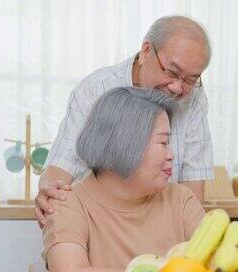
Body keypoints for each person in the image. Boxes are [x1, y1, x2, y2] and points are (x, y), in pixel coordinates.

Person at [36, 15, 214, 227]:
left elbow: (193, 186)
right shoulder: (97, 88)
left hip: (161, 228)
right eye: (172, 72)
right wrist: (50, 190)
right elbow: (62, 165)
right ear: (146, 51)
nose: (178, 87)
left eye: (191, 79)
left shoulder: (193, 98)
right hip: (96, 225)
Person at [43, 87, 205, 272]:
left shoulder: (181, 200)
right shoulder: (68, 203)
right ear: (127, 144)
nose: (171, 155)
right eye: (163, 142)